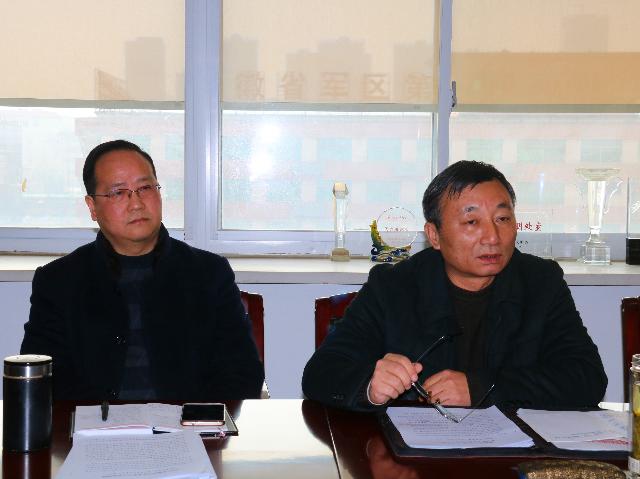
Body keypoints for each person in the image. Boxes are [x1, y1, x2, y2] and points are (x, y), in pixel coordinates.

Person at [302, 160, 607, 411]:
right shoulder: (393, 286)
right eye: (472, 222)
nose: (492, 237)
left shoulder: (541, 282)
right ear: (434, 235)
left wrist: (482, 388)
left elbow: (587, 378)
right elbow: (321, 373)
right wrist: (370, 385)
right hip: (417, 455)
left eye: (502, 218)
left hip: (511, 453)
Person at [21, 139, 264, 401]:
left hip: (188, 423)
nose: (136, 203)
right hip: (94, 424)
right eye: (118, 192)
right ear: (92, 207)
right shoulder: (58, 282)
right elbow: (42, 380)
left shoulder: (209, 274)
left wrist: (194, 418)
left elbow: (242, 373)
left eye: (145, 188)